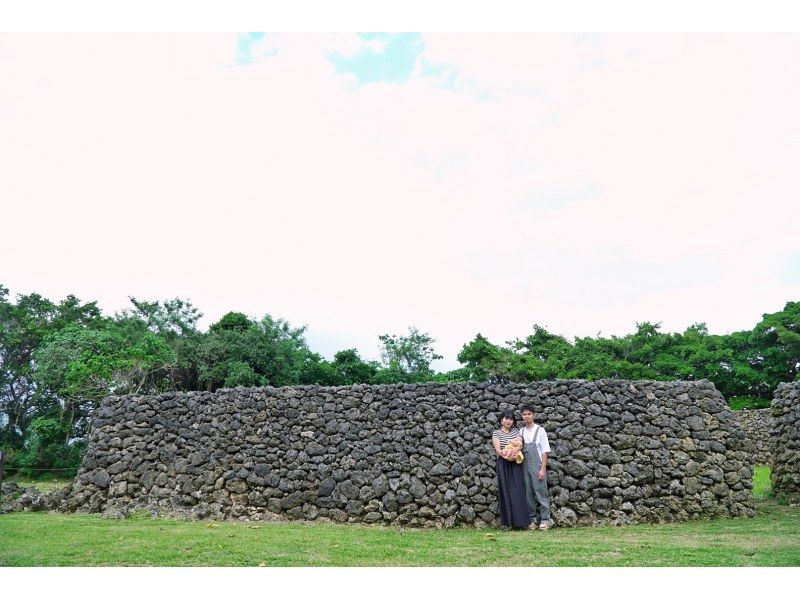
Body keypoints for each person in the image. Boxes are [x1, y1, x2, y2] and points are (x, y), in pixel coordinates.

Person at [491, 410, 531, 529]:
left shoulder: (515, 431)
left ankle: (521, 522)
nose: (508, 421)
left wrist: (515, 450)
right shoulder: (496, 433)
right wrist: (506, 455)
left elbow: (520, 445)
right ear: (501, 420)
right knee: (506, 491)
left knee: (518, 491)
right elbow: (498, 450)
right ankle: (508, 523)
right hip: (503, 463)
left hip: (516, 463)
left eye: (511, 419)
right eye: (506, 418)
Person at [519, 404, 553, 530]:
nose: (527, 416)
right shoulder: (521, 432)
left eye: (529, 414)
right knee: (528, 494)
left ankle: (545, 520)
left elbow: (544, 451)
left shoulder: (540, 430)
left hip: (537, 465)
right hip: (524, 466)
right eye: (524, 414)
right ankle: (532, 520)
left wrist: (543, 469)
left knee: (541, 492)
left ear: (533, 415)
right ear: (522, 416)